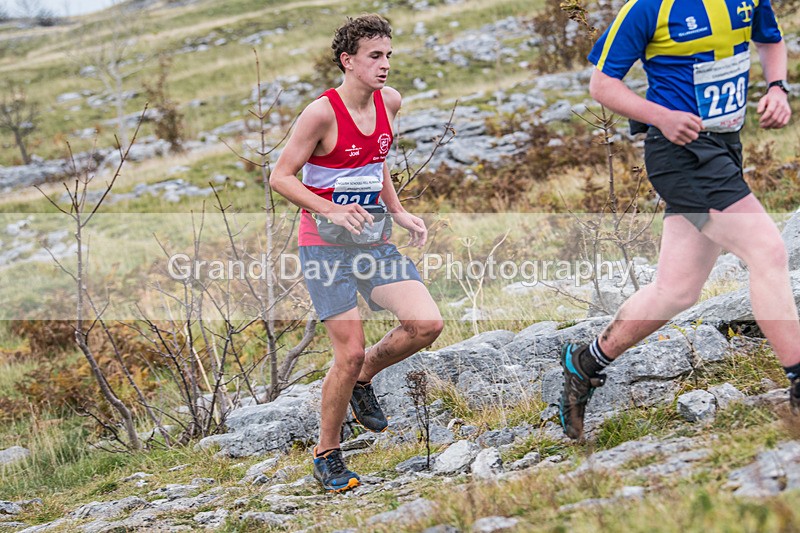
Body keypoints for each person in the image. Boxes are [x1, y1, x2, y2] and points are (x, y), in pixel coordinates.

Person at [559, 0, 798, 440]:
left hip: (724, 146)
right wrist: (661, 117)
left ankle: (585, 362)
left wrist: (778, 86)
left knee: (676, 290)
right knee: (767, 251)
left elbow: (770, 38)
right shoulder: (648, 8)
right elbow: (602, 85)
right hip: (680, 155)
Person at [270, 14, 444, 491]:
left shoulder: (391, 101)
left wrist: (400, 211)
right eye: (375, 56)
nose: (385, 65)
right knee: (345, 354)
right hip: (325, 249)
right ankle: (327, 454)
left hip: (373, 241)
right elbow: (280, 177)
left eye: (388, 55)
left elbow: (376, 162)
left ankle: (366, 376)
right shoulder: (321, 113)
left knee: (426, 324)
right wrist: (331, 210)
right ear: (348, 61)